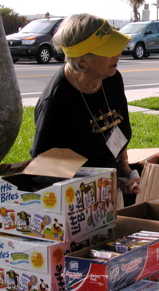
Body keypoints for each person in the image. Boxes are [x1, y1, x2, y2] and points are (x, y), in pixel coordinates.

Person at [31, 13, 140, 203]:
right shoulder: (56, 101)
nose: (118, 54)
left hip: (109, 187)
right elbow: (45, 171)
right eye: (109, 50)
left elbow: (117, 129)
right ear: (82, 61)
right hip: (76, 200)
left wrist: (124, 168)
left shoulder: (112, 78)